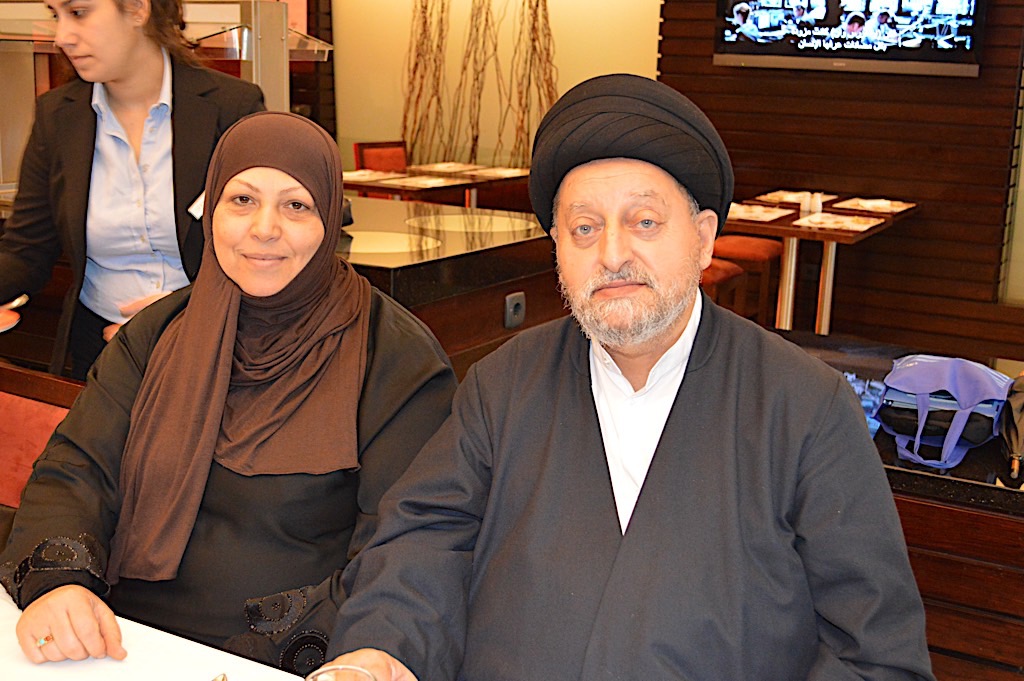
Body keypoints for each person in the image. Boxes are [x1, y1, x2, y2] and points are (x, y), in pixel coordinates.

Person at [319, 74, 936, 680]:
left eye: (644, 222)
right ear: (557, 247)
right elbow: (426, 540)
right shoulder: (502, 386)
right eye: (584, 228)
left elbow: (872, 653)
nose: (612, 254)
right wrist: (382, 653)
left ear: (702, 238)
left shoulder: (803, 405)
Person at [0, 112, 457, 676]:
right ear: (211, 209)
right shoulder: (160, 332)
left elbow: (408, 545)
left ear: (329, 220)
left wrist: (293, 656)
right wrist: (60, 586)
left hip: (292, 657)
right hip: (123, 640)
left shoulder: (396, 358)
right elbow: (77, 468)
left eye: (296, 205)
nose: (264, 228)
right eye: (242, 200)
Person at [0, 0, 265, 379]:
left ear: (139, 9)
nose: (61, 37)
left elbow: (268, 243)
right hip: (100, 350)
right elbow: (26, 249)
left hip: (214, 347)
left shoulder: (231, 106)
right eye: (55, 16)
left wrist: (186, 311)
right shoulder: (56, 115)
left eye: (78, 13)